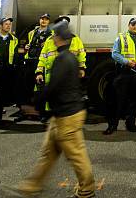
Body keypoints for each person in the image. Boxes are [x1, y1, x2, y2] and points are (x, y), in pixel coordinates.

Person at [17, 21, 95, 197]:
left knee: (77, 156)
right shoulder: (69, 57)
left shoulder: (63, 59)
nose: (52, 38)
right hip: (61, 115)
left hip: (68, 116)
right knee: (48, 154)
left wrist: (36, 103)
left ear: (59, 38)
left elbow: (54, 86)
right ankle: (32, 185)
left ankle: (87, 188)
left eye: (54, 36)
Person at [103, 17, 136, 135]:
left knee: (134, 99)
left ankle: (130, 124)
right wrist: (126, 62)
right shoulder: (121, 37)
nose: (135, 26)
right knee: (117, 100)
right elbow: (115, 54)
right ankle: (112, 125)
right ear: (128, 25)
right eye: (132, 24)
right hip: (124, 72)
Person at [35, 15, 86, 123]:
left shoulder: (75, 41)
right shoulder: (50, 40)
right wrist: (39, 71)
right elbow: (42, 57)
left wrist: (82, 67)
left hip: (67, 110)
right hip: (50, 73)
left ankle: (51, 114)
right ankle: (49, 114)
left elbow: (81, 54)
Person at [15, 13, 52, 123]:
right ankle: (25, 112)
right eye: (42, 19)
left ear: (49, 22)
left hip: (41, 62)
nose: (44, 21)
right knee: (26, 87)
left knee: (40, 88)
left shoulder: (51, 34)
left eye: (46, 19)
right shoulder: (32, 32)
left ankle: (41, 113)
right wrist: (27, 46)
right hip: (30, 60)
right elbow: (29, 44)